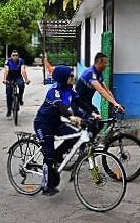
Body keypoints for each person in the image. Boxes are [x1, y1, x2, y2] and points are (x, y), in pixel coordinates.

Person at [34, 65, 97, 196]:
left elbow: (80, 103)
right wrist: (72, 117)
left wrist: (93, 113)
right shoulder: (54, 91)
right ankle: (46, 185)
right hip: (43, 123)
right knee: (49, 154)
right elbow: (61, 108)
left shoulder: (70, 90)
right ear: (63, 78)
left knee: (75, 136)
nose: (73, 77)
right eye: (70, 76)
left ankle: (57, 156)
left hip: (56, 122)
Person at [2, 50, 30, 117]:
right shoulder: (8, 61)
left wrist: (26, 79)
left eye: (16, 55)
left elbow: (23, 70)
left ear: (18, 56)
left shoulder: (21, 61)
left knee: (21, 85)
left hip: (18, 76)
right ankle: (9, 110)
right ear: (11, 56)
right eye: (13, 55)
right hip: (10, 77)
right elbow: (6, 70)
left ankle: (20, 98)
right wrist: (4, 79)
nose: (15, 57)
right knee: (9, 94)